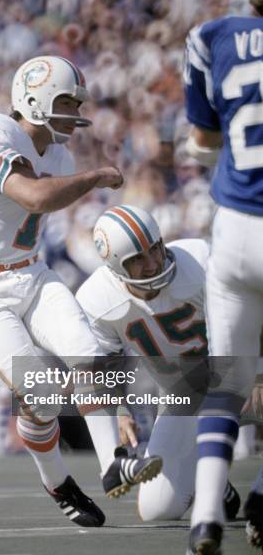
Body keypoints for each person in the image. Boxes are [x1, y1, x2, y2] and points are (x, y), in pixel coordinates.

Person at [0, 55, 162, 527]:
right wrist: (97, 177)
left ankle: (113, 462)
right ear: (34, 98)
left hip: (30, 271)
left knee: (88, 352)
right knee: (41, 395)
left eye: (76, 102)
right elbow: (35, 197)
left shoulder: (57, 154)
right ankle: (58, 481)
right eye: (64, 101)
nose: (74, 112)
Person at [76, 204, 241, 522]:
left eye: (155, 248)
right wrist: (120, 411)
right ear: (115, 266)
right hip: (184, 398)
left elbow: (251, 317)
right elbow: (105, 371)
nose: (153, 262)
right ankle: (215, 484)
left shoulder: (199, 260)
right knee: (157, 509)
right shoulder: (96, 300)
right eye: (136, 259)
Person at [183, 0, 263, 555]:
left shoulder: (213, 35)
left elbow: (202, 138)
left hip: (235, 225)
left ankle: (208, 515)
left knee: (228, 381)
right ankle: (260, 495)